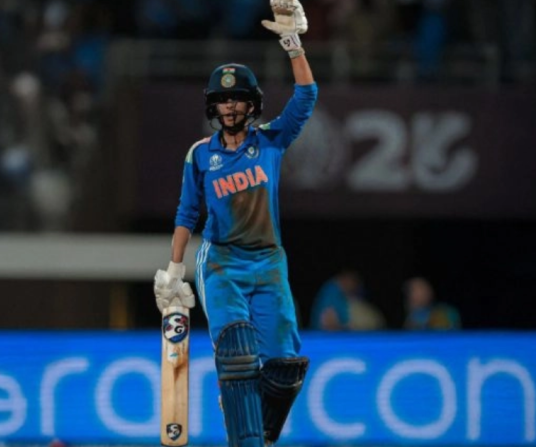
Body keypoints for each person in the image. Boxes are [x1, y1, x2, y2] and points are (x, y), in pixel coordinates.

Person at [152, 1, 316, 446]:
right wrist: (174, 269)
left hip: (269, 262)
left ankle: (256, 431)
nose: (229, 106)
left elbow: (306, 96)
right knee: (238, 354)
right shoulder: (200, 155)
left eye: (237, 98)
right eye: (222, 100)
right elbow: (187, 213)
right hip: (222, 263)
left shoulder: (271, 142)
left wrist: (293, 44)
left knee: (284, 367)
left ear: (252, 104)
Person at [310, 269, 386, 330]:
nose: (354, 286)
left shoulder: (347, 297)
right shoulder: (331, 293)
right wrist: (347, 327)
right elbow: (328, 324)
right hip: (326, 338)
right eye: (353, 281)